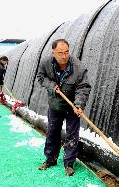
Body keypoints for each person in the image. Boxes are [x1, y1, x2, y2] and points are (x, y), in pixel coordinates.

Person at [37, 39, 91, 176]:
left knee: (72, 135)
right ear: (53, 52)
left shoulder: (78, 67)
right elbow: (41, 78)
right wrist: (51, 86)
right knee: (52, 132)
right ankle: (50, 159)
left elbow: (83, 87)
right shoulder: (45, 64)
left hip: (72, 106)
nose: (64, 56)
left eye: (66, 52)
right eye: (60, 53)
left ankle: (69, 164)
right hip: (55, 105)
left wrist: (78, 104)